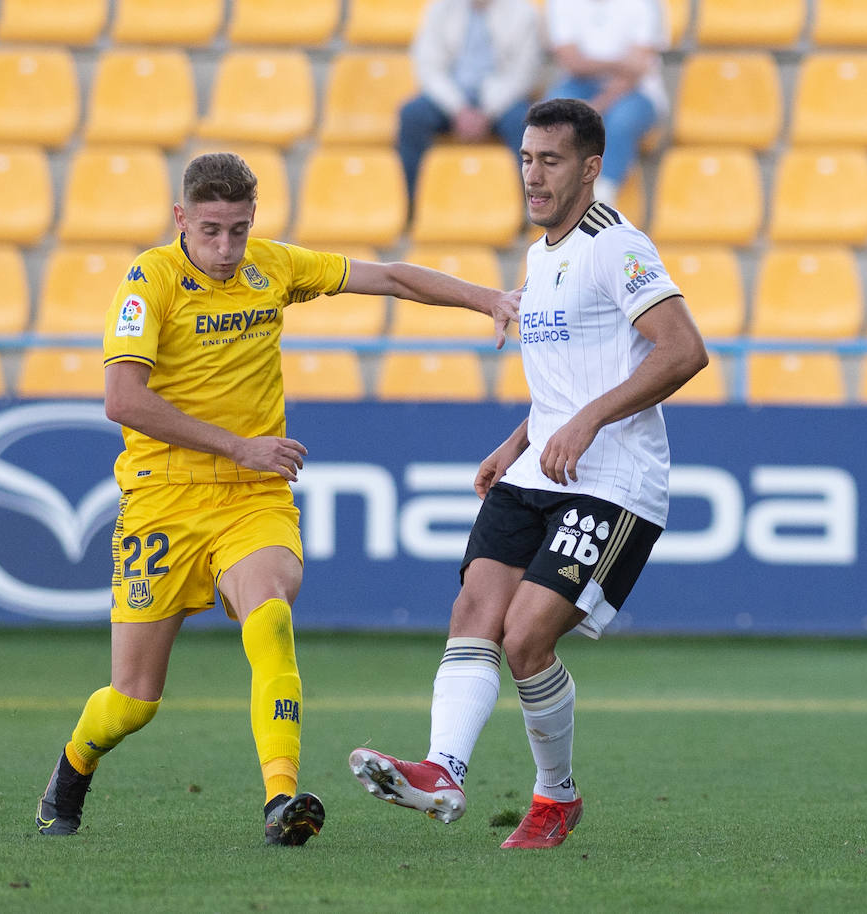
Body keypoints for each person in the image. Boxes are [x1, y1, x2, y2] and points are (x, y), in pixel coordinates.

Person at [35, 151, 520, 845]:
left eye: (238, 229)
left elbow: (387, 277)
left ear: (253, 220)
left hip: (251, 498)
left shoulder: (274, 266)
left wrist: (488, 299)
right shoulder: (149, 283)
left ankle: (281, 801)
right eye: (210, 230)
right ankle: (73, 768)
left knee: (268, 615)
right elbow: (122, 400)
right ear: (181, 220)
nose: (227, 248)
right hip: (161, 501)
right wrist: (238, 443)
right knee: (133, 701)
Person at [348, 98, 707, 849]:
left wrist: (586, 422)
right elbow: (570, 377)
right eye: (525, 158)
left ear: (589, 167)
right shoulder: (541, 256)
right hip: (538, 467)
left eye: (549, 160)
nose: (533, 175)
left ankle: (557, 797)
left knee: (526, 639)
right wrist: (516, 442)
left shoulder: (617, 244)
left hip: (613, 482)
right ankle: (443, 770)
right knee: (474, 612)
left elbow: (682, 351)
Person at [397, 0, 543, 211]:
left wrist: (487, 111)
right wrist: (459, 109)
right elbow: (428, 68)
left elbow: (523, 74)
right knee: (411, 115)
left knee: (527, 126)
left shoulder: (523, 13)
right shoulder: (439, 8)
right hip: (450, 97)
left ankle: (530, 207)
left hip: (500, 99)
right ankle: (410, 204)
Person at [543, 0, 669, 204]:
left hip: (636, 90)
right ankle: (555, 188)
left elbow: (638, 69)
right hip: (578, 84)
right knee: (549, 116)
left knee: (623, 120)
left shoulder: (646, 4)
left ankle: (603, 193)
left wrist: (599, 104)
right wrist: (619, 63)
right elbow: (572, 62)